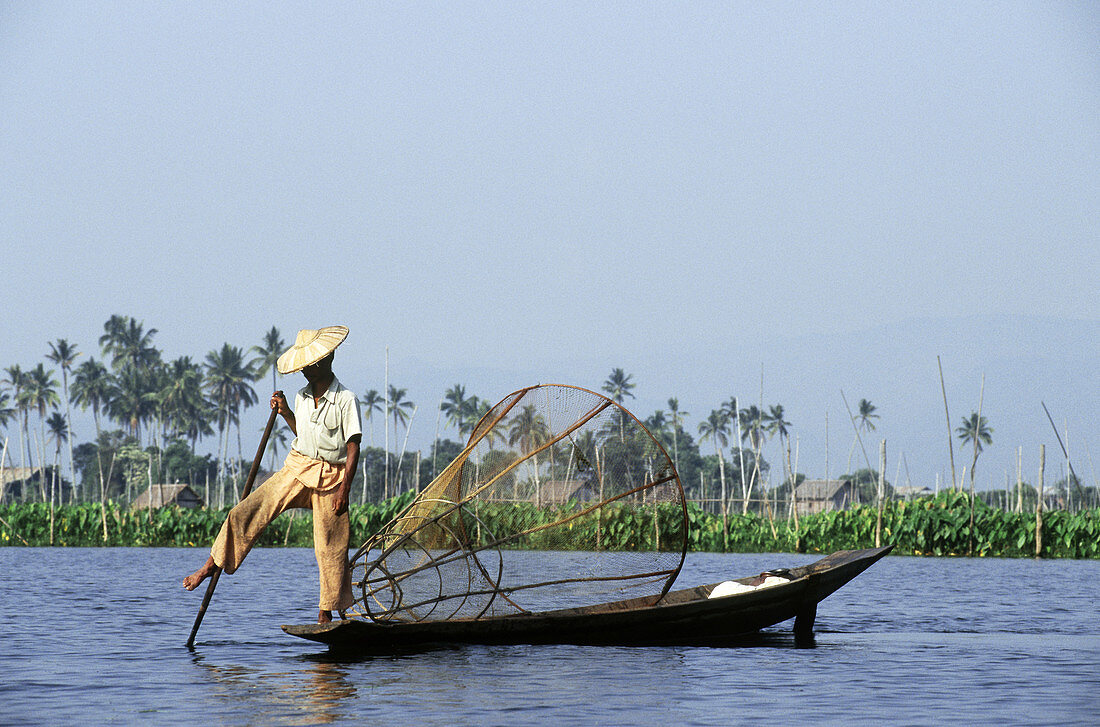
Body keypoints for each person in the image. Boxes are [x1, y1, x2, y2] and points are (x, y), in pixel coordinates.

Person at [183, 325, 363, 623]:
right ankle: (209, 566)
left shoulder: (346, 399)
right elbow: (304, 436)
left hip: (332, 477)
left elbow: (353, 447)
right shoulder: (302, 397)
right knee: (245, 512)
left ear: (325, 362)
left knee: (331, 547)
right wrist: (285, 412)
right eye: (303, 366)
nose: (305, 371)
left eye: (310, 365)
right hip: (298, 467)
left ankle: (325, 612)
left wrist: (345, 489)